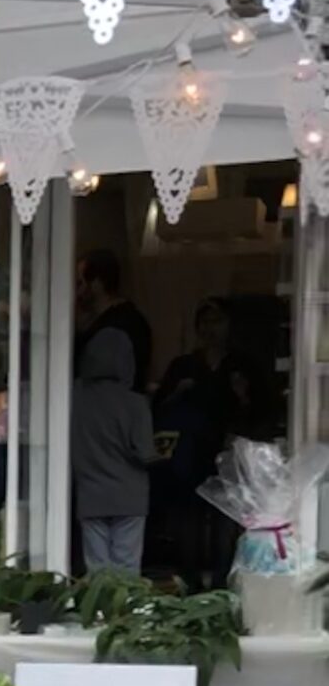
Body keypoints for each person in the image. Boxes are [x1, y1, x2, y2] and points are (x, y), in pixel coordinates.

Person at [152, 299, 236, 587]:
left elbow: (264, 406)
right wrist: (176, 393)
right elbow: (159, 409)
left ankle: (222, 582)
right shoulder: (184, 366)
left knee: (226, 517)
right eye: (205, 322)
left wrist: (243, 396)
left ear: (229, 326)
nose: (211, 329)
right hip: (189, 455)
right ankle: (191, 582)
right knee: (187, 518)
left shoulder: (239, 365)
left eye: (218, 321)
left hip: (228, 453)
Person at [72, 326, 158, 571]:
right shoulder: (135, 403)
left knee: (97, 570)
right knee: (126, 569)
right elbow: (145, 453)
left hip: (90, 496)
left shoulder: (73, 400)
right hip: (129, 497)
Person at [75, 248, 152, 392]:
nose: (76, 292)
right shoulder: (130, 320)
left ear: (97, 283)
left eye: (80, 283)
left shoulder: (124, 324)